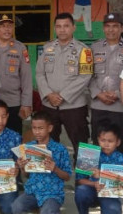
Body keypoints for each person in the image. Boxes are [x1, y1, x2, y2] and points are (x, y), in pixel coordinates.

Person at [35, 12, 93, 160]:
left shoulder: (84, 50)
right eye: (59, 26)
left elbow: (85, 76)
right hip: (50, 105)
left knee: (83, 147)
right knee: (48, 145)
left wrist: (63, 96)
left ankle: (84, 182)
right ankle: (51, 180)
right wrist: (49, 94)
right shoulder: (47, 49)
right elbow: (40, 73)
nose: (62, 30)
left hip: (74, 106)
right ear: (55, 28)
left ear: (73, 28)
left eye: (66, 26)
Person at [11, 111, 72, 214]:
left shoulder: (60, 149)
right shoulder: (28, 147)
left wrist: (55, 169)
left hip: (52, 193)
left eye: (41, 128)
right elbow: (27, 175)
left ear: (50, 128)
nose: (37, 132)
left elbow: (67, 177)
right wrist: (22, 167)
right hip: (32, 191)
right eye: (34, 128)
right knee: (16, 207)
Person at [0, 14, 33, 134]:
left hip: (12, 102)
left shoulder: (20, 48)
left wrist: (26, 103)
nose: (7, 29)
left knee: (14, 137)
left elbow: (26, 77)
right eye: (3, 26)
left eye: (9, 26)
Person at [75, 122, 123, 214]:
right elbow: (79, 180)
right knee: (81, 191)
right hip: (91, 190)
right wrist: (95, 184)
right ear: (98, 140)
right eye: (103, 140)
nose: (106, 144)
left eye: (110, 141)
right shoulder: (90, 154)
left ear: (118, 142)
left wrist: (101, 176)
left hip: (110, 195)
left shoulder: (121, 159)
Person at [89, 13, 123, 151]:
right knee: (97, 143)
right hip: (98, 105)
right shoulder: (94, 48)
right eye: (108, 26)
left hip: (120, 106)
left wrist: (118, 94)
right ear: (103, 28)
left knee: (119, 144)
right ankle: (96, 173)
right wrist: (98, 93)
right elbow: (87, 75)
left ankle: (118, 173)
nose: (111, 30)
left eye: (115, 26)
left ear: (121, 28)